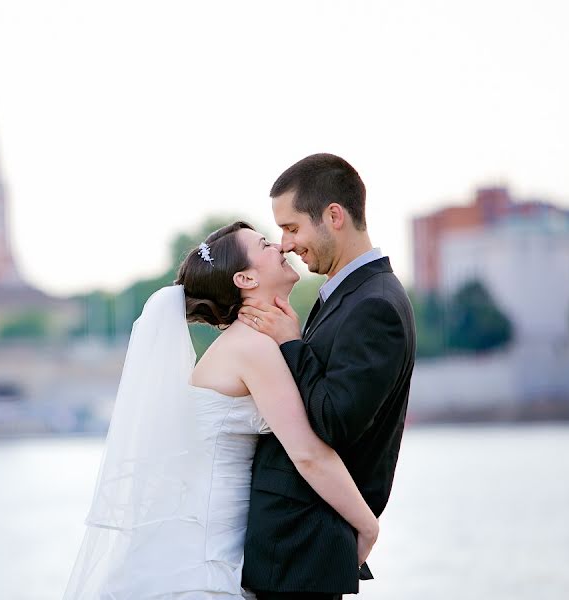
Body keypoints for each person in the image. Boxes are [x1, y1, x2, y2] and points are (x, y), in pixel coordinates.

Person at [63, 221, 379, 599]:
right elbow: (308, 454)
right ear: (245, 279)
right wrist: (367, 525)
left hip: (219, 546)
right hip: (206, 557)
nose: (280, 247)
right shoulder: (251, 348)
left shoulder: (252, 342)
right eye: (265, 244)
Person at [238, 153, 417, 599]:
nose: (284, 244)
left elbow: (335, 421)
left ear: (333, 216)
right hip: (295, 547)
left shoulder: (375, 306)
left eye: (292, 228)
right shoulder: (349, 294)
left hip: (306, 546)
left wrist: (291, 345)